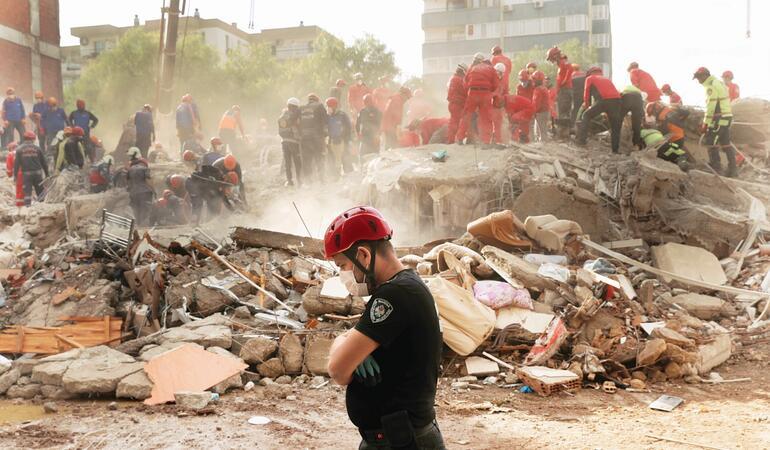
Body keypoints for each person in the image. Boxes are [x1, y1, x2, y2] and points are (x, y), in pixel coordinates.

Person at [325, 206, 444, 449]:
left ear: (363, 255)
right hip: (398, 436)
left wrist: (349, 348)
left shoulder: (393, 295)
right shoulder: (404, 286)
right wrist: (351, 345)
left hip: (401, 440)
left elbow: (338, 370)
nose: (344, 275)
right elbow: (351, 342)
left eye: (343, 266)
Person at [694, 66, 736, 177]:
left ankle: (716, 167)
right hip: (726, 116)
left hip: (718, 117)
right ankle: (733, 170)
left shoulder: (711, 85)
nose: (698, 81)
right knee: (725, 143)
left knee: (710, 141)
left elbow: (711, 106)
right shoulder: (719, 83)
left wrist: (705, 123)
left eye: (699, 78)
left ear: (704, 76)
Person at [577, 66, 622, 153]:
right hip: (617, 100)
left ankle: (581, 141)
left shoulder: (590, 78)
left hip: (604, 100)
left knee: (586, 115)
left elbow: (586, 94)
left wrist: (587, 107)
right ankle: (615, 150)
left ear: (589, 73)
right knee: (615, 125)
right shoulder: (607, 79)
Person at [456, 53, 498, 145]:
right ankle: (486, 141)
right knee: (486, 118)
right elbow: (496, 85)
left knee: (467, 115)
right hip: (485, 94)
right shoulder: (491, 69)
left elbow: (465, 83)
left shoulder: (472, 68)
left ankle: (460, 138)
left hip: (472, 93)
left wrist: (471, 90)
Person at [299, 93, 329, 182]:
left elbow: (298, 122)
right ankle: (322, 180)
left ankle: (308, 181)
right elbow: (325, 121)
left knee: (307, 160)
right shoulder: (319, 106)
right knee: (319, 158)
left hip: (304, 138)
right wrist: (325, 134)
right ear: (316, 100)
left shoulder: (301, 108)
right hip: (317, 137)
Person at [546, 46, 574, 140]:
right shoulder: (561, 64)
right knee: (562, 111)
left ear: (554, 56)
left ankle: (564, 134)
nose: (551, 62)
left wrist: (563, 82)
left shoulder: (563, 62)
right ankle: (564, 133)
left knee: (564, 112)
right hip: (563, 90)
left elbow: (570, 69)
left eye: (551, 59)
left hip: (565, 90)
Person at [14, 131, 48, 206]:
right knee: (40, 191)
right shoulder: (38, 149)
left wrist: (15, 176)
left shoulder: (19, 149)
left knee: (27, 192)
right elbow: (44, 163)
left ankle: (28, 207)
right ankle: (42, 207)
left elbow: (16, 164)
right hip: (38, 173)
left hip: (26, 174)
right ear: (33, 139)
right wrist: (47, 173)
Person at [126, 146, 154, 226]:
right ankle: (143, 227)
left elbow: (128, 182)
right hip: (145, 193)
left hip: (133, 193)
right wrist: (153, 190)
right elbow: (149, 180)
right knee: (145, 212)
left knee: (136, 211)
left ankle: (138, 227)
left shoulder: (130, 168)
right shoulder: (144, 166)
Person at [278, 97, 302, 186]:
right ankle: (300, 180)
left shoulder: (281, 116)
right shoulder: (295, 116)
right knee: (297, 161)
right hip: (294, 142)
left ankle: (289, 181)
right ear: (296, 106)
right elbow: (299, 126)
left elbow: (280, 131)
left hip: (284, 142)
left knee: (287, 162)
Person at [326, 97, 353, 177]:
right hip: (331, 142)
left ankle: (349, 175)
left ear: (334, 107)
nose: (327, 109)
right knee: (331, 160)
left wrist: (346, 140)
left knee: (345, 158)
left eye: (329, 107)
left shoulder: (342, 115)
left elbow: (348, 128)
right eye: (327, 107)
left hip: (342, 141)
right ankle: (334, 176)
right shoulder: (327, 116)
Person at [446, 64, 467, 144]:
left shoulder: (451, 79)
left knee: (453, 122)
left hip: (452, 103)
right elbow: (465, 91)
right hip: (458, 104)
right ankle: (459, 139)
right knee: (462, 121)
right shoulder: (459, 80)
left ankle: (450, 140)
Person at [621, 85, 645, 150]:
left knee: (618, 118)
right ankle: (635, 145)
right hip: (638, 99)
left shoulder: (623, 90)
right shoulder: (638, 92)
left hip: (627, 97)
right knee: (637, 127)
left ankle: (614, 138)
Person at [531, 71, 551, 142]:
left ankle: (543, 146)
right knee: (542, 131)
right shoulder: (544, 88)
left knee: (540, 132)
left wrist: (533, 112)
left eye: (534, 79)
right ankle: (543, 144)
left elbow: (537, 103)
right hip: (545, 112)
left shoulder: (538, 90)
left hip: (540, 113)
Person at [491, 63, 508, 144]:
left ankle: (498, 140)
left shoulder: (504, 82)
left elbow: (505, 93)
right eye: (497, 72)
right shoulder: (491, 81)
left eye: (499, 72)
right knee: (493, 124)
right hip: (492, 105)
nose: (498, 74)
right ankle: (494, 140)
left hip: (500, 106)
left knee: (499, 124)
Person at [6, 142, 24, 207]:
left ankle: (20, 206)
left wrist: (10, 175)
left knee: (19, 190)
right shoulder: (23, 152)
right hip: (28, 173)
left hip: (19, 174)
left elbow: (9, 168)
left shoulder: (10, 154)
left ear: (10, 148)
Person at [570, 64, 586, 128]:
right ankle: (583, 123)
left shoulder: (571, 75)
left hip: (576, 94)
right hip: (584, 93)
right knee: (585, 109)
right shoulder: (584, 74)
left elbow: (570, 86)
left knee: (575, 110)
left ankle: (572, 125)